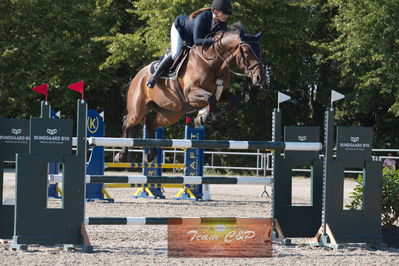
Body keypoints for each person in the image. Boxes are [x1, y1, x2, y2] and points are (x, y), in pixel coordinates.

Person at [147, 0, 233, 88]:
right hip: (180, 30)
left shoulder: (222, 23)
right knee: (175, 52)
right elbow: (197, 41)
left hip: (194, 36)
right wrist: (213, 40)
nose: (227, 16)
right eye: (224, 13)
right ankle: (154, 77)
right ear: (215, 11)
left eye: (227, 14)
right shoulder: (203, 18)